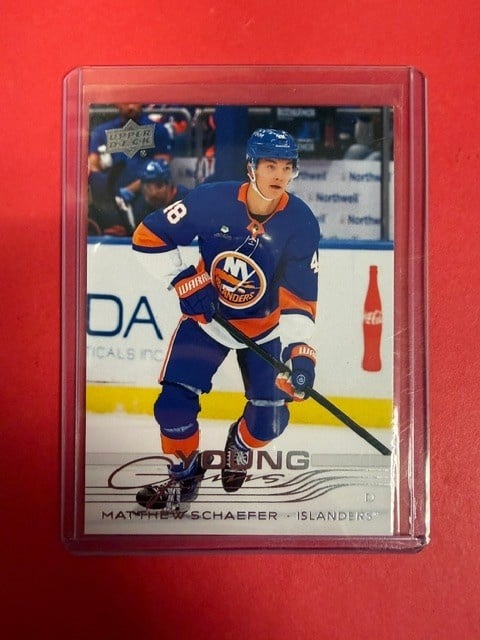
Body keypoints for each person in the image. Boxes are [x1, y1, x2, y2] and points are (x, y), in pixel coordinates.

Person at [132, 128, 321, 511]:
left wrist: (301, 355)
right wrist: (184, 279)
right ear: (251, 167)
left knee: (269, 423)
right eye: (270, 165)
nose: (279, 175)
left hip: (265, 330)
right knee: (172, 406)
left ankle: (240, 444)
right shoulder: (211, 200)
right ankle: (184, 476)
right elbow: (148, 235)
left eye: (287, 167)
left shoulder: (301, 223)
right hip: (208, 320)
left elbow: (299, 297)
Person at [88, 103, 173, 218]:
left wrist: (131, 190)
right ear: (117, 103)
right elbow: (93, 165)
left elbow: (162, 165)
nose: (131, 106)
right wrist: (108, 193)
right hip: (111, 197)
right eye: (126, 102)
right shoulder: (102, 132)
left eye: (135, 101)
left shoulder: (157, 130)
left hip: (147, 196)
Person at [115, 159, 190, 234]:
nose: (153, 193)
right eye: (148, 187)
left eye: (159, 185)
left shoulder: (187, 201)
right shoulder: (142, 207)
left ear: (169, 184)